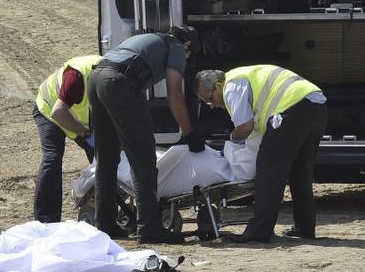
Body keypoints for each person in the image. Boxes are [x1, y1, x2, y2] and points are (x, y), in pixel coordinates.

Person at [89, 26, 202, 244]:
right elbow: (174, 94)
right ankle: (149, 228)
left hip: (95, 79)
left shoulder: (148, 38)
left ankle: (105, 225)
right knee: (143, 157)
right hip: (119, 83)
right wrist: (189, 132)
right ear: (188, 45)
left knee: (107, 158)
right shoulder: (177, 47)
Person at [195, 66, 327, 242]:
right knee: (299, 172)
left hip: (293, 107)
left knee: (268, 168)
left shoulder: (231, 86)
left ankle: (259, 231)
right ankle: (304, 228)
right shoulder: (245, 77)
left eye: (210, 99)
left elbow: (245, 127)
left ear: (218, 86)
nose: (212, 106)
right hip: (316, 105)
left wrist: (232, 139)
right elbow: (257, 130)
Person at [33, 54, 102, 223]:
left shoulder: (110, 77)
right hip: (49, 110)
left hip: (74, 115)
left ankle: (104, 211)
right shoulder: (76, 77)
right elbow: (58, 112)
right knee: (53, 157)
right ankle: (46, 219)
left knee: (102, 159)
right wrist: (84, 133)